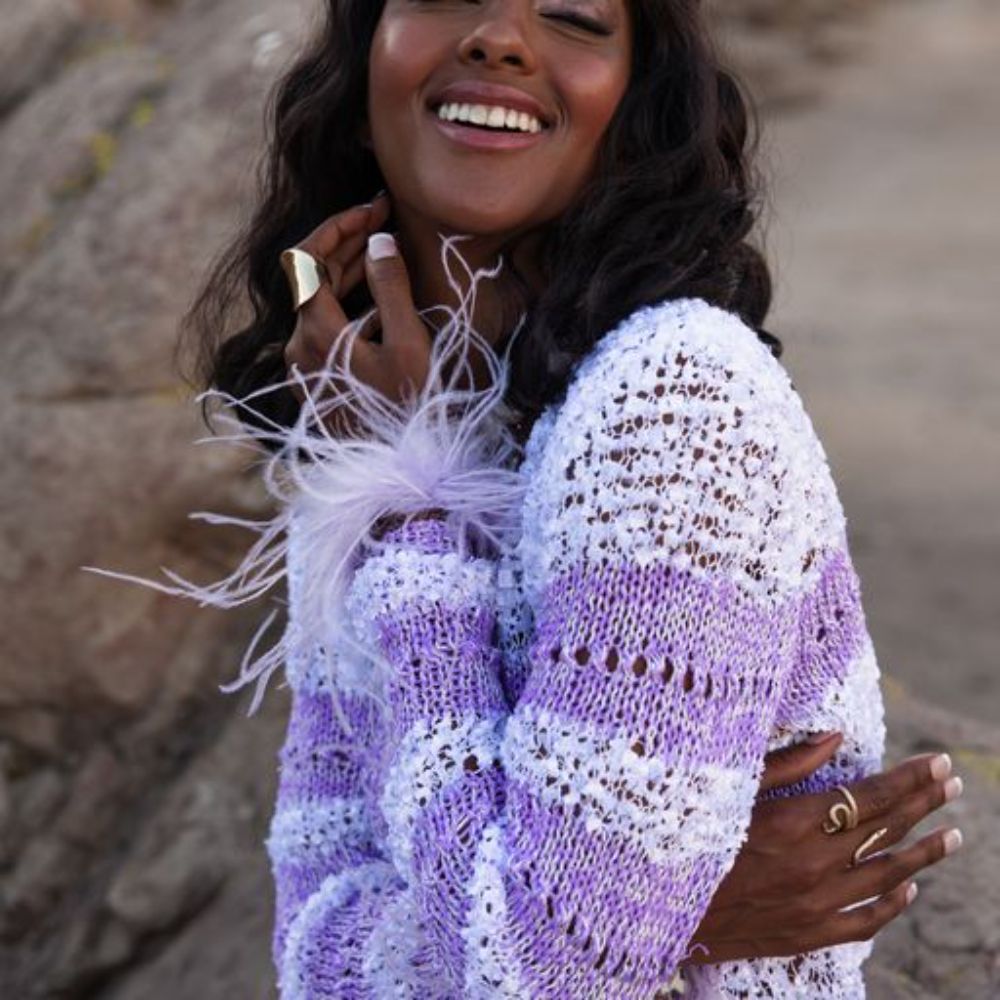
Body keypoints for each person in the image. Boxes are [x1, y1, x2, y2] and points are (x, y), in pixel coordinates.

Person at [170, 1, 964, 996]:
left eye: (573, 16)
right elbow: (312, 939)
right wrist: (673, 917)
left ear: (633, 111)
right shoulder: (387, 435)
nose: (501, 36)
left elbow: (535, 969)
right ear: (361, 70)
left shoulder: (673, 404)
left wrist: (415, 517)